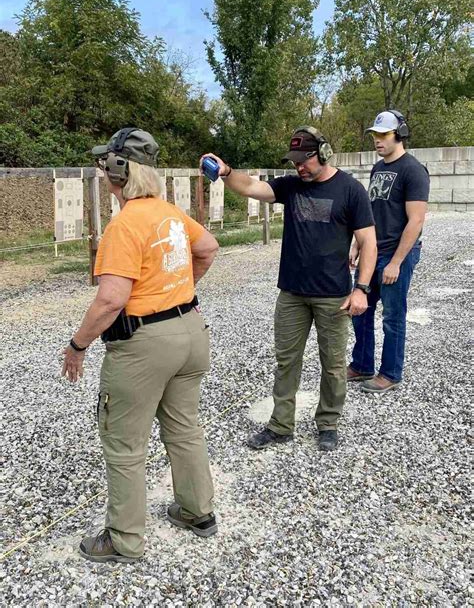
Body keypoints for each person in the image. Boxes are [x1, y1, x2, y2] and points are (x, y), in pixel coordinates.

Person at [62, 128, 219, 563]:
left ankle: (125, 539)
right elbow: (208, 247)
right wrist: (180, 291)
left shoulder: (123, 224)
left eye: (104, 164)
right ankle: (197, 512)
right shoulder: (169, 213)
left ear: (116, 171)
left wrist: (78, 346)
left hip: (145, 345)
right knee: (184, 428)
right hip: (190, 331)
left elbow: (111, 299)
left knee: (124, 443)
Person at [201, 127, 376, 452]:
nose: (299, 167)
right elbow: (252, 187)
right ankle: (281, 425)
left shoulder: (351, 190)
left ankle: (328, 423)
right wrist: (225, 172)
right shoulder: (290, 186)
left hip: (333, 295)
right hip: (292, 294)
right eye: (294, 161)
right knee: (286, 362)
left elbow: (368, 243)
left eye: (305, 160)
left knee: (334, 365)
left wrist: (361, 289)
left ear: (323, 154)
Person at [348, 111, 430, 393]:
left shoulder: (413, 170)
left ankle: (391, 373)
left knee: (392, 316)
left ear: (400, 135)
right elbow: (370, 212)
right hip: (373, 251)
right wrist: (358, 244)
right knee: (360, 309)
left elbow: (416, 220)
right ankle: (362, 364)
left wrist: (396, 262)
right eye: (375, 135)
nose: (377, 141)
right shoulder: (377, 168)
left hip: (396, 255)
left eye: (383, 135)